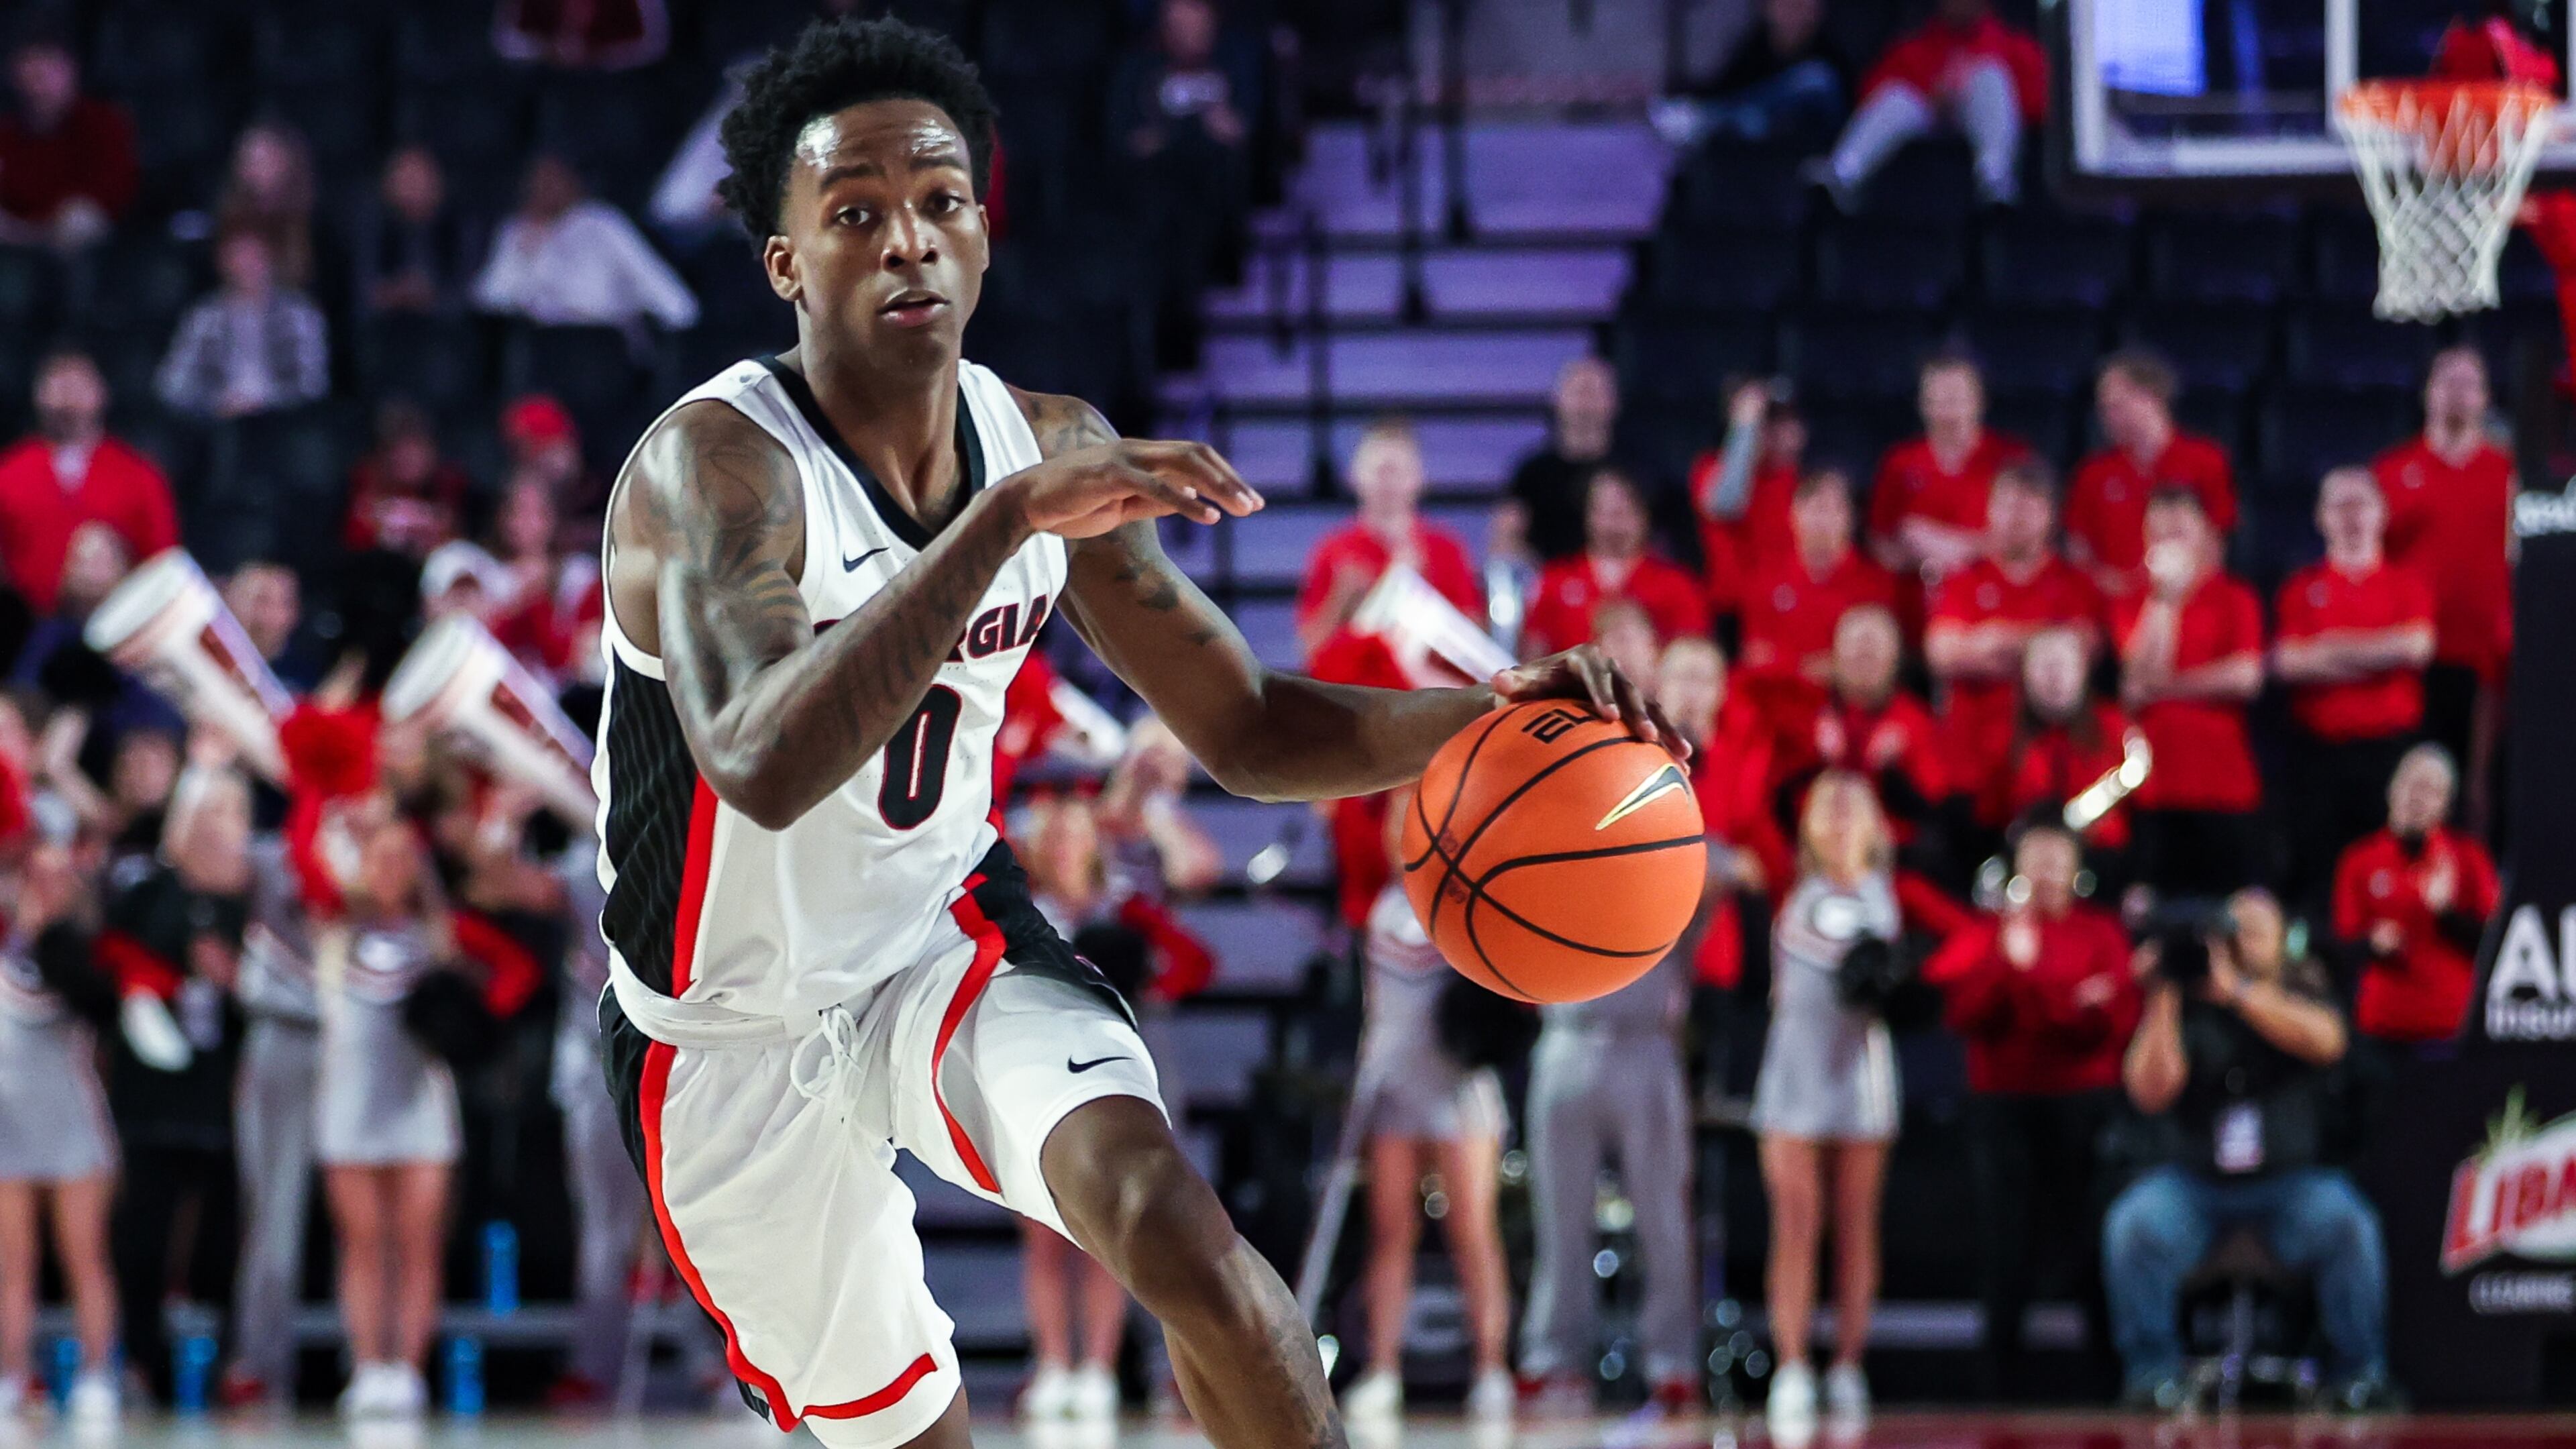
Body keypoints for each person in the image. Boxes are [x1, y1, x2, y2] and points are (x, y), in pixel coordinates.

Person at [590, 19, 1679, 1449]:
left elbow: (1246, 723)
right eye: (854, 214)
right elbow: (761, 760)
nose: (907, 241)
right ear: (785, 263)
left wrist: (1495, 718)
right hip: (722, 1032)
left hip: (938, 944)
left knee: (1196, 1253)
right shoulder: (715, 468)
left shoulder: (1043, 443)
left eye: (940, 202)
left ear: (985, 235)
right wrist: (1001, 526)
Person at [1520, 638, 1772, 1420]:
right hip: (1564, 1036)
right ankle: (1551, 1358)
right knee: (1557, 1216)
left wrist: (1664, 851)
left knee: (1665, 1213)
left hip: (1645, 1039)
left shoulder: (1692, 774)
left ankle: (1672, 1362)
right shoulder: (1595, 764)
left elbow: (1741, 866)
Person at [2103, 890, 2398, 1413]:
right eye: (2233, 929)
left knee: (2349, 1222)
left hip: (2288, 1184)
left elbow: (2328, 1042)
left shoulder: (2302, 987)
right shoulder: (2188, 998)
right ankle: (2153, 1377)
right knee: (2135, 1223)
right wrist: (2164, 995)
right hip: (2197, 1186)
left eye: (2257, 930)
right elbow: (2149, 1093)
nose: (2242, 940)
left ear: (2283, 941)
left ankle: (2360, 1376)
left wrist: (2237, 992)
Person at [1924, 824, 2138, 1399]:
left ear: (2076, 868)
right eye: (2034, 858)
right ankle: (1997, 1386)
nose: (2044, 871)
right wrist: (2047, 990)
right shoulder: (1989, 931)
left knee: (2091, 1242)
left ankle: (2109, 1384)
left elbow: (2108, 1022)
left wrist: (2027, 984)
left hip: (2082, 1108)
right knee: (2003, 1245)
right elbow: (1965, 1011)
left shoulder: (2100, 932)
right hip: (2003, 1108)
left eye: (2056, 859)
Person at [1342, 788, 1513, 1425]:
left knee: (1472, 1229)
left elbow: (1502, 1002)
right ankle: (1383, 1369)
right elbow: (1375, 1012)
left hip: (1458, 1088)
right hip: (1393, 1088)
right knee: (1389, 1232)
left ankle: (1492, 1368)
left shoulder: (1473, 905)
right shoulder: (1380, 907)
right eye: (1399, 822)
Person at [99, 763, 254, 1408]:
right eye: (208, 812)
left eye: (231, 813)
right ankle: (137, 1361)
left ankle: (217, 1362)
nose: (221, 828)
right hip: (152, 1096)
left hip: (226, 1094)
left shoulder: (253, 901)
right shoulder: (147, 887)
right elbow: (114, 966)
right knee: (144, 1232)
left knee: (222, 1238)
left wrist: (236, 981)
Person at [1754, 772, 1900, 1438]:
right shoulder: (1787, 884)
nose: (1841, 817)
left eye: (1855, 806)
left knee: (1856, 1224)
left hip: (1861, 1073)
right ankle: (1790, 1365)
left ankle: (1848, 1363)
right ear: (1807, 823)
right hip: (1795, 1072)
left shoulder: (1893, 896)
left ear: (1876, 826)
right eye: (1827, 807)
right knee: (1796, 1223)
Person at [314, 807, 465, 1420]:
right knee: (362, 1240)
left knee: (417, 1241)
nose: (393, 868)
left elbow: (458, 1020)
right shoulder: (333, 932)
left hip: (419, 1101)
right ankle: (368, 1364)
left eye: (406, 857)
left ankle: (407, 1369)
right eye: (383, 856)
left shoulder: (436, 936)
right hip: (351, 1097)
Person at [2273, 469, 2435, 906]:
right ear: (2320, 517)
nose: (2351, 516)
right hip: (2319, 755)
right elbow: (2290, 662)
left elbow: (2417, 647)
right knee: (2318, 875)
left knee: (2388, 867)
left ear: (2382, 514)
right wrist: (2381, 651)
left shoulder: (2407, 584)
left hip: (2388, 752)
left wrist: (2329, 648)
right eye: (2339, 505)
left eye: (2360, 503)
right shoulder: (2301, 588)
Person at [0, 840, 121, 1422]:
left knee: (83, 1253)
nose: (47, 886)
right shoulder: (4, 945)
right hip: (9, 1124)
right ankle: (11, 1376)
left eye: (58, 876)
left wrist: (54, 936)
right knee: (13, 1261)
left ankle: (99, 1374)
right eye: (37, 874)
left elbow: (101, 1006)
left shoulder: (83, 951)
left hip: (71, 1117)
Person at [2369, 347, 2514, 818]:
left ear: (2486, 397)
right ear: (2427, 394)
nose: (2457, 392)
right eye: (2446, 381)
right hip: (2413, 658)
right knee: (2415, 784)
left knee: (2481, 790)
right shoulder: (2391, 472)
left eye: (2468, 382)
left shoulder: (2510, 474)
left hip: (2488, 660)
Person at [2113, 489, 2265, 902]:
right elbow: (2139, 674)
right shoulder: (2133, 601)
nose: (2169, 540)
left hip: (2225, 784)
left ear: (2206, 535)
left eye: (2180, 529)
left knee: (2228, 907)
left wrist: (2162, 689)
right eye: (2159, 532)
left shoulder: (2236, 597)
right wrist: (2165, 598)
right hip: (2155, 786)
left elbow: (2244, 677)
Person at [218, 810, 321, 1407]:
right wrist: (207, 777)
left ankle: (386, 1366)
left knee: (382, 1217)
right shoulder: (268, 854)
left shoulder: (388, 837)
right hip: (283, 1037)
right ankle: (261, 1362)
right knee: (274, 1213)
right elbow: (199, 857)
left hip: (375, 1032)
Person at [1924, 460, 2101, 808]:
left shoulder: (2073, 582)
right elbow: (1942, 654)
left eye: (2027, 505)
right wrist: (2042, 646)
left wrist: (1993, 638)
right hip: (1970, 758)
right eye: (2005, 504)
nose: (2015, 516)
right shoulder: (1965, 579)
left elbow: (2084, 652)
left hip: (2049, 761)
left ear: (2049, 513)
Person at [1109, 0, 1260, 368]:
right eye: (1178, 26)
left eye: (1197, 26)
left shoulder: (1235, 67)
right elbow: (1127, 141)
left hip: (1212, 199)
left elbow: (1240, 132)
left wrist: (1172, 137)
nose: (1189, 35)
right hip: (1156, 202)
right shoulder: (1138, 72)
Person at [2333, 745, 2499, 1046]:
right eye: (2411, 783)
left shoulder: (2469, 859)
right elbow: (2339, 944)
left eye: (2432, 790)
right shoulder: (2358, 860)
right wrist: (2372, 943)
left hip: (2452, 1025)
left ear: (2447, 807)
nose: (2417, 797)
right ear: (2391, 788)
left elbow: (2499, 941)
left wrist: (2447, 914)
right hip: (2381, 1026)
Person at [1815, 0, 2047, 209]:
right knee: (1898, 97)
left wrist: (1969, 82)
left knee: (1991, 76)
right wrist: (1934, 91)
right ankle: (1843, 172)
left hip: (1984, 125)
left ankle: (1995, 175)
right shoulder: (1917, 46)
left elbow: (2041, 104)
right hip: (1928, 123)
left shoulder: (2013, 47)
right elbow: (1869, 94)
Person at [0, 350, 180, 613]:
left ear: (101, 392)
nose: (68, 397)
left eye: (78, 384)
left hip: (120, 624)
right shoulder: (9, 472)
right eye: (58, 384)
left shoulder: (140, 475)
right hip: (27, 626)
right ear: (38, 394)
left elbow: (164, 563)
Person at [1296, 420, 1482, 661]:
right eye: (1380, 471)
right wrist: (1342, 598)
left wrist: (1420, 591)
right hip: (1356, 693)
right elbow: (1309, 652)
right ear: (1355, 475)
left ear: (1418, 478)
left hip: (1426, 693)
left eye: (1398, 471)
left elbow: (1472, 646)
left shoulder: (1446, 548)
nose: (1388, 482)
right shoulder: (1333, 551)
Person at [1735, 470, 1898, 733]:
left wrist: (1794, 665)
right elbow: (1756, 657)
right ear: (1793, 514)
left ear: (1850, 518)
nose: (1823, 520)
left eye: (1834, 510)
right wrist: (1818, 666)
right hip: (1775, 710)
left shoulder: (1874, 584)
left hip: (1847, 712)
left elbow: (1878, 667)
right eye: (1815, 508)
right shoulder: (1766, 578)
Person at [2065, 351, 2237, 598]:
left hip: (2189, 599)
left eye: (2117, 406)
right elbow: (2079, 551)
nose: (2108, 417)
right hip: (2114, 604)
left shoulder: (2205, 459)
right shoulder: (2093, 473)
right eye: (2104, 409)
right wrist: (2114, 588)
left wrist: (2175, 591)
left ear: (2151, 396)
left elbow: (2216, 542)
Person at [474, 154, 699, 336]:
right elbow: (490, 300)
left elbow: (676, 304)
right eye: (537, 180)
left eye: (553, 178)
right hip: (543, 348)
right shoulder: (516, 230)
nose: (543, 188)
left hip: (602, 345)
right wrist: (523, 251)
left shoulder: (603, 224)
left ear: (573, 181)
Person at [1789, 606, 1947, 863]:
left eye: (1874, 650)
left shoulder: (1915, 721)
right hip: (1812, 851)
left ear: (1895, 658)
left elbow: (1934, 808)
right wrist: (1815, 759)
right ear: (1835, 655)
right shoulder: (1807, 712)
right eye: (1854, 648)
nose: (1864, 656)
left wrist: (1896, 773)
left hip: (1895, 858)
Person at [1991, 627, 2139, 888]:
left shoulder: (2117, 731)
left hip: (2105, 870)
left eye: (2064, 666)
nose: (2054, 678)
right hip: (2022, 870)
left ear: (2084, 672)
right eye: (2044, 667)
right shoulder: (2002, 735)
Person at [1871, 354, 2029, 588]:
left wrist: (1948, 546)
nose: (1948, 413)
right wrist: (1925, 559)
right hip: (1917, 593)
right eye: (1937, 401)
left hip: (1994, 597)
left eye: (1957, 399)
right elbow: (1880, 544)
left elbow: (2028, 540)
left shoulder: (2012, 459)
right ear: (1923, 405)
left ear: (1979, 400)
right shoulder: (1900, 463)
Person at [1519, 467, 1709, 658]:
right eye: (1604, 511)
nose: (1614, 523)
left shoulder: (1677, 585)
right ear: (1587, 516)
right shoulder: (1555, 580)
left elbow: (1692, 657)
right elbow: (1533, 655)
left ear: (1645, 517)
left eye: (1624, 511)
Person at [156, 229, 331, 421]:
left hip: (283, 419)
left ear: (270, 260)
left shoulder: (299, 313)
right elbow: (172, 383)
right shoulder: (205, 316)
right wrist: (216, 402)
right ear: (225, 265)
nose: (248, 267)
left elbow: (313, 384)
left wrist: (265, 403)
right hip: (217, 419)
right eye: (239, 259)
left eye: (255, 258)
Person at [0, 32, 133, 250]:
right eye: (31, 75)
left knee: (78, 219)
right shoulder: (6, 130)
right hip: (17, 231)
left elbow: (114, 190)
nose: (37, 88)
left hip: (86, 236)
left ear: (71, 72)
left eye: (45, 74)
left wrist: (53, 218)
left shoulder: (104, 122)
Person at [1652, 0, 1849, 146]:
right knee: (1751, 119)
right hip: (1759, 123)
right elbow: (1728, 86)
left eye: (1802, 6)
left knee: (1813, 78)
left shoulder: (1829, 51)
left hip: (1814, 132)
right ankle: (1701, 118)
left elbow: (1842, 107)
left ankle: (1704, 121)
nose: (1794, 13)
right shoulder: (1757, 45)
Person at [1690, 379, 1806, 623]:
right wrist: (1745, 429)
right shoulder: (1711, 468)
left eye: (1783, 422)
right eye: (1765, 423)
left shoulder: (1798, 480)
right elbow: (1727, 504)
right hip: (1731, 611)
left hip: (1783, 606)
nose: (1774, 432)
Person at [1503, 357, 1621, 564]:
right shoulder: (1532, 474)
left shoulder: (1634, 472)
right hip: (1550, 588)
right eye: (1578, 392)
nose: (1586, 403)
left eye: (1594, 392)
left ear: (1614, 401)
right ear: (1557, 399)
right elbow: (1508, 538)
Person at [351, 147, 480, 318]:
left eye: (420, 178)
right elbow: (364, 290)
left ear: (438, 184)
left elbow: (469, 291)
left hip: (446, 328)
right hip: (385, 327)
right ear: (388, 185)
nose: (413, 187)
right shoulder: (374, 229)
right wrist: (395, 293)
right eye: (405, 179)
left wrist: (428, 296)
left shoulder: (460, 228)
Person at [343, 400, 470, 558]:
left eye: (418, 451)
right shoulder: (366, 481)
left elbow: (460, 549)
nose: (410, 460)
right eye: (402, 451)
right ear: (386, 453)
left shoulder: (448, 485)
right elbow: (354, 541)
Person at [216, 123, 319, 292]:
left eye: (264, 160)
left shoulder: (313, 222)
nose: (253, 170)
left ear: (288, 161)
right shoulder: (231, 217)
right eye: (248, 160)